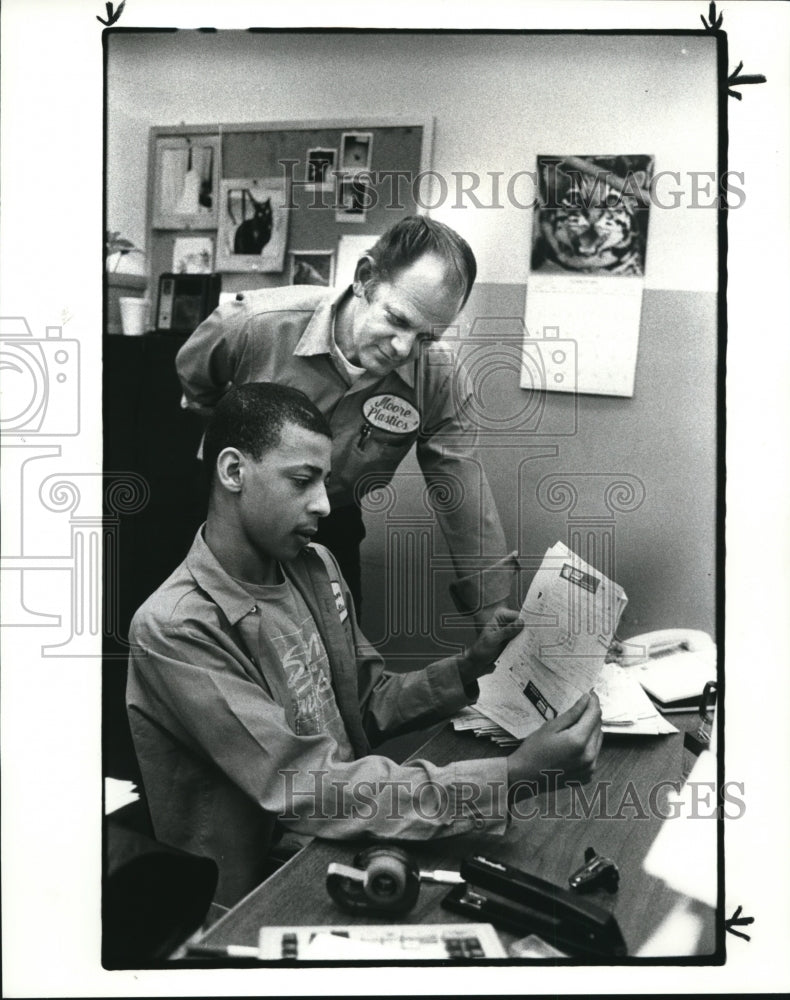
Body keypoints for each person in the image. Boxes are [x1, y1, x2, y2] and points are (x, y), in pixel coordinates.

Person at [127, 383, 603, 908]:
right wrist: (511, 776)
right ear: (234, 471)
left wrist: (470, 666)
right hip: (257, 893)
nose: (325, 504)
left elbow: (365, 705)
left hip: (350, 834)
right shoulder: (176, 628)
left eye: (326, 481)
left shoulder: (316, 568)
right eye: (303, 480)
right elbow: (301, 784)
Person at [175, 215, 511, 623]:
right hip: (237, 515)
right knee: (219, 641)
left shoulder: (438, 380)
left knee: (342, 659)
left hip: (332, 523)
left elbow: (463, 495)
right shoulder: (254, 325)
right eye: (398, 320)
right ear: (365, 278)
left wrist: (492, 611)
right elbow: (196, 382)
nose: (404, 347)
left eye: (427, 337)